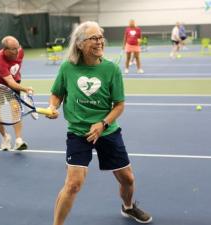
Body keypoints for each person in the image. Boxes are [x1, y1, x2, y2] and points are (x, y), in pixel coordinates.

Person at [47, 21, 152, 225]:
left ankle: (128, 207)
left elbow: (119, 105)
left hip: (107, 131)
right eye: (93, 38)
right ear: (79, 44)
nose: (99, 41)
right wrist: (53, 107)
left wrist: (102, 123)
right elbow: (57, 93)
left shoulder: (111, 69)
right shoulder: (68, 67)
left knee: (127, 179)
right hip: (78, 132)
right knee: (73, 184)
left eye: (100, 37)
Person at [0, 35, 33, 151]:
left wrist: (20, 85)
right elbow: (9, 82)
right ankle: (5, 136)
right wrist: (25, 89)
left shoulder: (20, 51)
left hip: (13, 81)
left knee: (16, 110)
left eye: (18, 47)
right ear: (5, 50)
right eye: (13, 49)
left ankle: (18, 140)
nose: (17, 51)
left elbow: (13, 80)